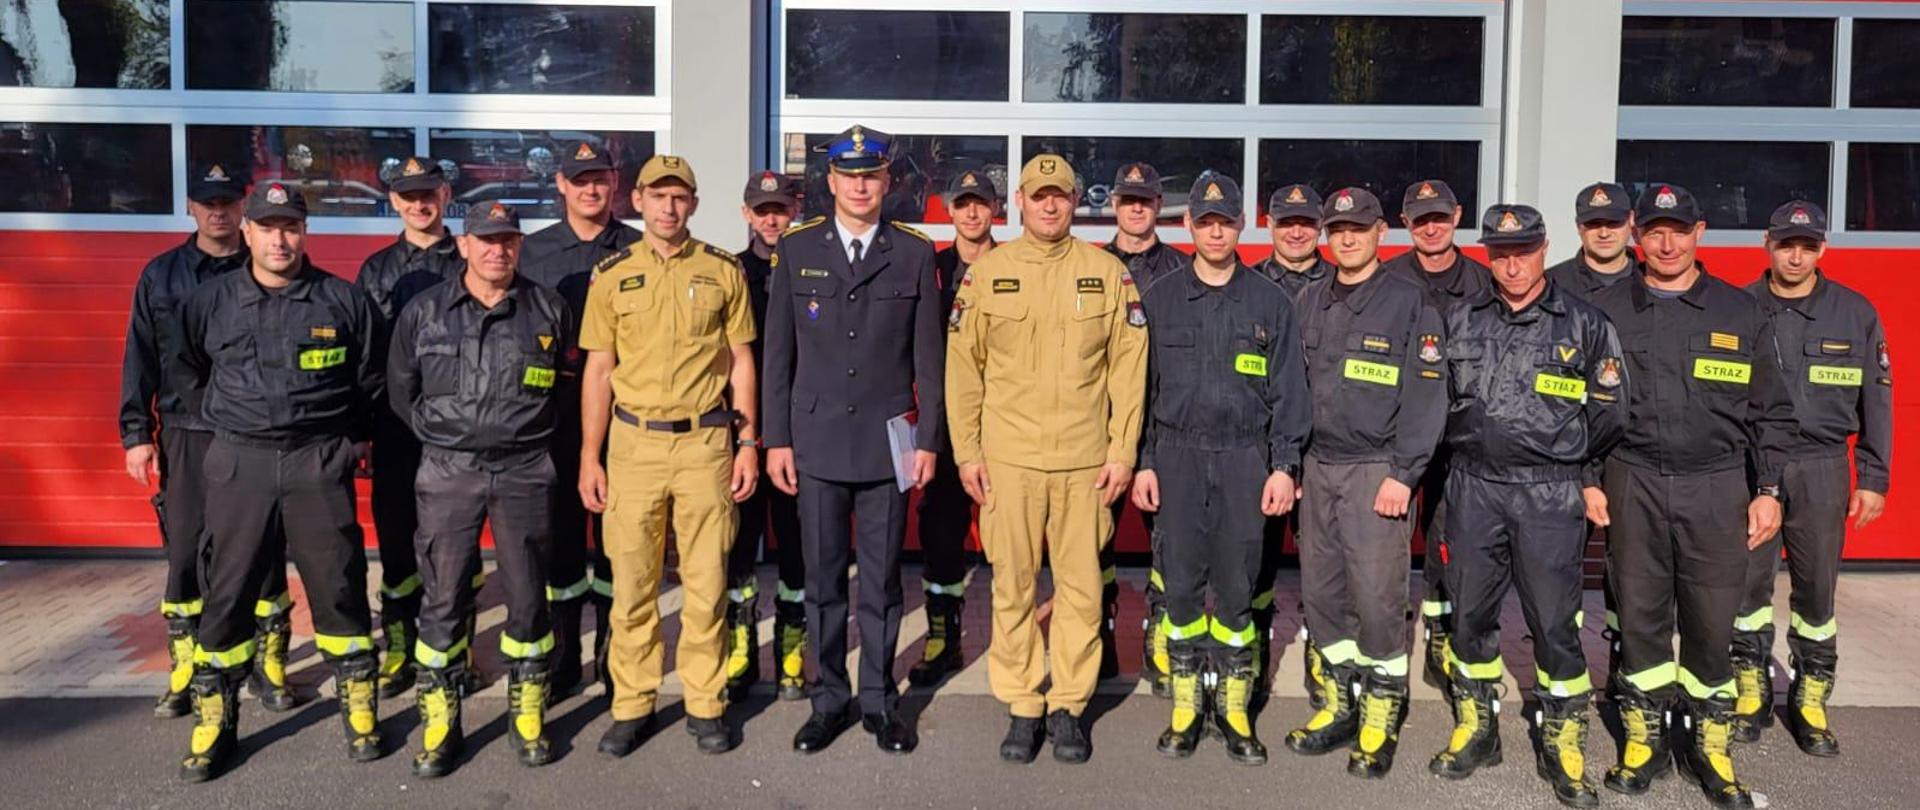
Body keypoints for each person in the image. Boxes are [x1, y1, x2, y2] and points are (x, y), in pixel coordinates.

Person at [1586, 183, 1793, 807]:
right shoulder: (1606, 314)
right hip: (1633, 479)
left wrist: (1769, 489)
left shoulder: (1740, 312)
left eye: (1678, 229)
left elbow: (1774, 413)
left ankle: (1711, 744)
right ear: (1635, 236)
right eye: (1653, 231)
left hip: (1716, 485)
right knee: (1642, 615)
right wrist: (1588, 480)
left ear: (1699, 232)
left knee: (1710, 620)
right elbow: (1584, 407)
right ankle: (1644, 738)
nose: (1666, 242)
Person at [172, 181, 385, 781]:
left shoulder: (341, 302)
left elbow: (370, 381)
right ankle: (217, 720)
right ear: (247, 231)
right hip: (240, 462)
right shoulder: (210, 302)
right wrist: (225, 423)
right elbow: (186, 370)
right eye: (268, 227)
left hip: (317, 462)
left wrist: (348, 444)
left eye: (290, 226)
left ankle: (358, 708)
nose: (280, 239)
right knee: (228, 590)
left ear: (305, 233)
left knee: (338, 582)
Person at [947, 153, 1148, 764]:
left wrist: (1122, 452)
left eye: (1060, 195)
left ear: (1073, 201)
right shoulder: (987, 274)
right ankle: (1022, 703)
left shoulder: (1107, 273)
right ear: (1023, 204)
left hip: (1084, 463)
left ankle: (1067, 705)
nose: (1051, 205)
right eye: (1039, 196)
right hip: (1009, 461)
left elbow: (1128, 369)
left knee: (1083, 590)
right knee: (1010, 586)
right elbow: (964, 371)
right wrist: (967, 453)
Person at [1425, 205, 1627, 809]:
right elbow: (1433, 402)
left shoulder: (1585, 324)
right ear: (1488, 255)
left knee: (1554, 620)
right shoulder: (1457, 320)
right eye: (1501, 253)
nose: (1512, 264)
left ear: (1543, 250)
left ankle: (1564, 739)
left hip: (1548, 490)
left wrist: (1578, 470)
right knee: (1470, 615)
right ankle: (1477, 726)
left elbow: (1611, 411)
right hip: (1474, 487)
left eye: (1524, 251)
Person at [764, 125, 946, 755]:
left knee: (882, 580)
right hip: (814, 442)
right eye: (849, 175)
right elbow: (777, 358)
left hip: (886, 441)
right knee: (821, 583)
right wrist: (776, 441)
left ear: (886, 182)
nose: (860, 185)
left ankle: (877, 701)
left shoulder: (915, 253)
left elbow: (930, 359)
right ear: (832, 182)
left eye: (871, 175)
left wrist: (928, 441)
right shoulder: (797, 249)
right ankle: (828, 700)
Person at [581, 155, 759, 757]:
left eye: (680, 197)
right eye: (658, 196)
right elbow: (598, 369)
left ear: (694, 204)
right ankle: (632, 703)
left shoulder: (722, 270)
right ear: (637, 201)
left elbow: (740, 362)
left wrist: (749, 443)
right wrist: (590, 454)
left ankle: (706, 702)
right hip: (633, 445)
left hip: (706, 444)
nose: (668, 207)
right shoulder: (611, 275)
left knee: (707, 581)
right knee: (632, 583)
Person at [386, 201, 571, 776]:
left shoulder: (547, 309)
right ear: (463, 245)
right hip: (448, 470)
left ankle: (527, 710)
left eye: (509, 240)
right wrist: (446, 439)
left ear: (520, 246)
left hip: (525, 470)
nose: (498, 250)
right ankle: (441, 720)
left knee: (527, 593)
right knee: (442, 595)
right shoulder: (425, 312)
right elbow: (400, 390)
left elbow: (566, 390)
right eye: (486, 240)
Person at [1131, 171, 1309, 765]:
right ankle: (1185, 711)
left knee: (1237, 590)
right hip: (1177, 459)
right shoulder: (1159, 300)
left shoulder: (1269, 301)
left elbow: (1290, 394)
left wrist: (1284, 467)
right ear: (1188, 225)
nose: (1214, 230)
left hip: (1244, 461)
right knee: (1179, 588)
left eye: (1225, 221)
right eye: (1204, 221)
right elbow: (1140, 394)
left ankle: (1233, 712)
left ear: (1241, 226)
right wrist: (1145, 463)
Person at [120, 164, 295, 718]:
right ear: (190, 208)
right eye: (206, 201)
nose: (218, 210)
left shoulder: (268, 269)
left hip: (254, 435)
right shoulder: (162, 277)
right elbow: (140, 359)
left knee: (264, 551)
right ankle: (188, 667)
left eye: (227, 201)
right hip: (187, 434)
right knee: (186, 554)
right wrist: (135, 435)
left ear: (244, 211)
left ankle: (269, 666)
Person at [1284, 187, 1446, 779]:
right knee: (1324, 595)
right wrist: (1293, 464)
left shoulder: (1409, 303)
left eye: (1358, 229)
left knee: (1378, 597)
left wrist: (1404, 474)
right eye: (1337, 230)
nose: (1346, 239)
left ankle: (1382, 709)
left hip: (1378, 470)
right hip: (1319, 468)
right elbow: (1293, 389)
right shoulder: (1307, 301)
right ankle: (1339, 703)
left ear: (1381, 232)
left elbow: (1428, 396)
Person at [1731, 201, 1890, 756]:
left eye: (1807, 245)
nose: (1795, 255)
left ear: (1823, 249)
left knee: (1816, 588)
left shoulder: (1855, 312)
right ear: (1767, 245)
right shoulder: (1739, 307)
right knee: (1748, 583)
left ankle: (1810, 697)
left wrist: (1873, 475)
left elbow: (1878, 399)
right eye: (1785, 244)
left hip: (1823, 466)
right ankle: (1750, 689)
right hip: (1752, 465)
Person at [519, 141, 642, 698]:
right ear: (561, 187)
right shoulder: (534, 252)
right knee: (562, 539)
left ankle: (614, 657)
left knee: (621, 539)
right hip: (555, 410)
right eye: (580, 180)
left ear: (614, 185)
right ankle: (565, 654)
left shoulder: (637, 247)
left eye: (601, 179)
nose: (591, 189)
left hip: (627, 412)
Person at [356, 156, 468, 699]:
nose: (419, 204)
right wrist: (364, 428)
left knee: (456, 546)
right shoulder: (375, 271)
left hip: (457, 429)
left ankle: (457, 648)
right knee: (398, 544)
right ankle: (400, 646)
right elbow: (364, 357)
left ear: (445, 195)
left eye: (428, 193)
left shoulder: (468, 260)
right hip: (397, 428)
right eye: (408, 196)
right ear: (394, 202)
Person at [1383, 179, 1492, 689]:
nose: (1432, 226)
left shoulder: (1483, 284)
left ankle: (1440, 635)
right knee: (1387, 540)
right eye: (1421, 218)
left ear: (1458, 216)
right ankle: (1385, 630)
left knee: (1450, 543)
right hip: (1396, 437)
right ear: (1406, 222)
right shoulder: (1385, 282)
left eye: (1441, 217)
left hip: (1459, 442)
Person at [1543, 181, 1639, 698]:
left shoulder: (1655, 284)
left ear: (1630, 225)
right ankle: (1565, 667)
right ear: (1579, 228)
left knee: (1630, 570)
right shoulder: (1554, 285)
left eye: (1614, 222)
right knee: (1561, 571)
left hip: (1633, 455)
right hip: (1567, 456)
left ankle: (1627, 668)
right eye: (1593, 223)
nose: (1604, 231)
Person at [1247, 181, 1337, 707]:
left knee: (1322, 562)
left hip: (1324, 448)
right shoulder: (1252, 285)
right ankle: (1256, 646)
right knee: (1256, 557)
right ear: (1270, 227)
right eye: (1287, 222)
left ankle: (1321, 653)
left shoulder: (1341, 283)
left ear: (1319, 227)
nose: (1297, 231)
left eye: (1306, 222)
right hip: (1262, 448)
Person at [910, 169, 999, 688]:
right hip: (945, 423)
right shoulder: (933, 268)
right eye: (963, 204)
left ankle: (1012, 639)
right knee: (941, 528)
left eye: (980, 204)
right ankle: (943, 636)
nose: (971, 213)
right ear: (949, 209)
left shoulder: (1015, 265)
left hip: (1006, 420)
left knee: (1011, 531)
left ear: (995, 210)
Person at [724, 170, 811, 703]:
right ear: (747, 215)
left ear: (793, 210)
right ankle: (739, 647)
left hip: (799, 430)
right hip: (740, 430)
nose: (771, 218)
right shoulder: (730, 273)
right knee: (737, 545)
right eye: (762, 209)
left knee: (798, 547)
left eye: (779, 208)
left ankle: (792, 649)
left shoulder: (811, 268)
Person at [1097, 160, 1186, 678]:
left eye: (1145, 199)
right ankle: (1099, 632)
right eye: (1127, 199)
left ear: (1158, 206)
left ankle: (1160, 634)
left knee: (1168, 540)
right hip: (1101, 425)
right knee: (1094, 540)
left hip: (1165, 422)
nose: (1136, 207)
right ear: (1114, 205)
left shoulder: (1181, 267)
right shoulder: (1090, 268)